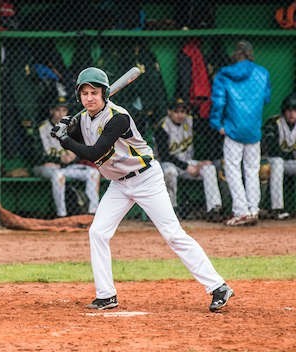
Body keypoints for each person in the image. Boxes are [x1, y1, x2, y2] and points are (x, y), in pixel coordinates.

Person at [50, 67, 234, 312]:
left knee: (172, 234)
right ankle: (106, 295)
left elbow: (95, 153)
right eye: (84, 93)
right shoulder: (84, 118)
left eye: (94, 92)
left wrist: (65, 140)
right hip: (119, 184)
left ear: (105, 94)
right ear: (79, 97)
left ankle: (218, 286)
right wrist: (65, 127)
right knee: (98, 232)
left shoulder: (119, 118)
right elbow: (80, 134)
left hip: (146, 179)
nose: (89, 98)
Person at [209, 40, 271, 226]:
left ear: (235, 55)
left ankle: (241, 210)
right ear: (250, 54)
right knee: (252, 170)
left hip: (232, 129)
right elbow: (266, 98)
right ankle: (253, 209)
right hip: (253, 129)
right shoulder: (262, 73)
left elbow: (218, 102)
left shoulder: (224, 75)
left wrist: (216, 123)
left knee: (233, 170)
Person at [154, 98, 223, 221]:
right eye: (177, 111)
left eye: (183, 111)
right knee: (170, 172)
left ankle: (214, 209)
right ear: (169, 112)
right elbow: (164, 155)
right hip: (168, 164)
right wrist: (187, 167)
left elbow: (211, 134)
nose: (181, 115)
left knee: (209, 168)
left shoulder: (190, 121)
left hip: (188, 161)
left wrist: (206, 160)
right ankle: (171, 210)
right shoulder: (163, 127)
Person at [32, 96, 100, 217]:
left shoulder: (72, 127)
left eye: (64, 110)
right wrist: (57, 159)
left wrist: (74, 157)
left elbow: (82, 151)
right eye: (58, 110)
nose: (61, 113)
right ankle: (61, 215)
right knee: (58, 175)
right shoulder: (41, 128)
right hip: (45, 167)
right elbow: (35, 155)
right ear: (51, 111)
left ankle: (92, 213)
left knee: (93, 173)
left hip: (67, 167)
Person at [260, 92, 296, 220]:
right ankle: (277, 208)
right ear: (284, 111)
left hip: (290, 162)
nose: (292, 114)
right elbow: (271, 148)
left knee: (282, 161)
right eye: (289, 110)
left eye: (295, 110)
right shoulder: (274, 122)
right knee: (278, 162)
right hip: (271, 161)